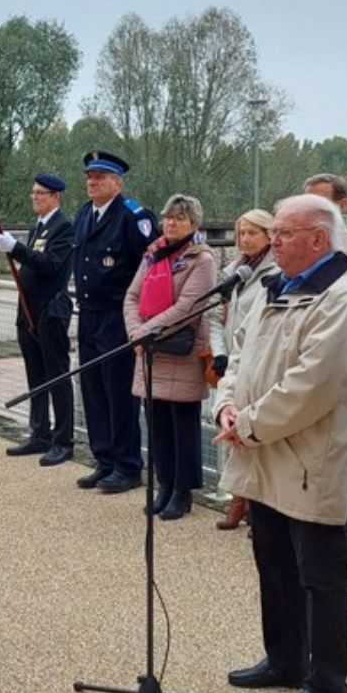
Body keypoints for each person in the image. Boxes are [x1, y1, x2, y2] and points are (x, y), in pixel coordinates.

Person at [214, 193, 347, 693]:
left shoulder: (342, 300)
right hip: (263, 454)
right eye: (275, 232)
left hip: (308, 459)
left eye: (284, 233)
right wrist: (227, 402)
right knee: (273, 562)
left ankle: (327, 685)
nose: (273, 240)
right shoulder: (273, 288)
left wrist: (247, 425)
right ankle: (285, 659)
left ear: (319, 239)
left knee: (320, 576)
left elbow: (311, 387)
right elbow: (241, 352)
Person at [123, 194, 217, 521]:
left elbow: (188, 308)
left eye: (179, 218)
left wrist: (146, 331)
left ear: (194, 223)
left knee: (183, 425)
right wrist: (136, 331)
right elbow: (132, 296)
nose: (171, 223)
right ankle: (163, 484)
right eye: (168, 217)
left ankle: (182, 491)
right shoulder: (152, 254)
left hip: (180, 351)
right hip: (149, 350)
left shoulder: (201, 259)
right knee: (157, 423)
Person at [73, 151, 160, 494]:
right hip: (89, 315)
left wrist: (142, 318)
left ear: (117, 182)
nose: (92, 182)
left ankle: (127, 465)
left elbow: (151, 267)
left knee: (119, 392)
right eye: (89, 176)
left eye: (100, 177)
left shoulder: (133, 216)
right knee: (92, 388)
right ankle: (104, 459)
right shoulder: (84, 214)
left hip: (118, 317)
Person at [302, 174, 347, 557]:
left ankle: (343, 533)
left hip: (336, 352)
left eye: (320, 202)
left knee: (335, 449)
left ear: (341, 206)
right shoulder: (299, 242)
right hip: (304, 345)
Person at [0, 174, 76, 465]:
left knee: (57, 376)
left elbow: (50, 265)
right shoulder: (38, 227)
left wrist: (16, 249)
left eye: (40, 193)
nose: (35, 198)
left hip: (50, 312)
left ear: (56, 197)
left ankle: (63, 439)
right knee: (36, 376)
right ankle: (39, 433)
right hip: (28, 312)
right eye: (33, 193)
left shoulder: (63, 227)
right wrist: (18, 249)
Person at [206, 209, 276, 530]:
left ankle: (255, 505)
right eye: (241, 233)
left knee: (255, 433)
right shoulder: (235, 270)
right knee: (232, 428)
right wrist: (219, 353)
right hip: (232, 359)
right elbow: (216, 316)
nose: (245, 239)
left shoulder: (273, 272)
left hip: (258, 362)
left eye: (253, 233)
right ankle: (238, 499)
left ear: (269, 235)